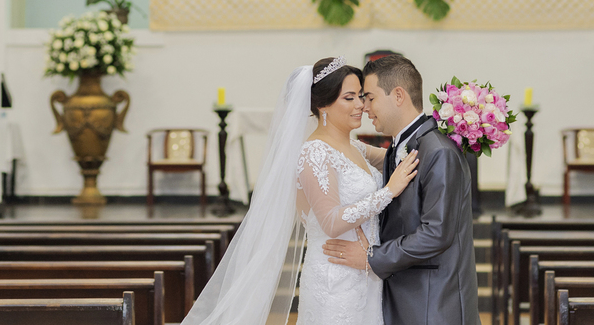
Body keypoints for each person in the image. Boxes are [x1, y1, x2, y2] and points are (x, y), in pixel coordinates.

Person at [181, 57, 418, 325]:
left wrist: (447, 128)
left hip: (365, 274)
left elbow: (401, 156)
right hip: (334, 278)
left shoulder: (356, 147)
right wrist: (388, 191)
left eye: (361, 96)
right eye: (349, 98)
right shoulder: (313, 152)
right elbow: (330, 221)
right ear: (322, 105)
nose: (361, 106)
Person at [325, 53, 480, 325]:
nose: (365, 107)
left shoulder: (439, 151)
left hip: (433, 302)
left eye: (370, 98)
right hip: (408, 295)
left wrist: (372, 258)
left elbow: (436, 234)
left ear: (398, 95)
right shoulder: (400, 147)